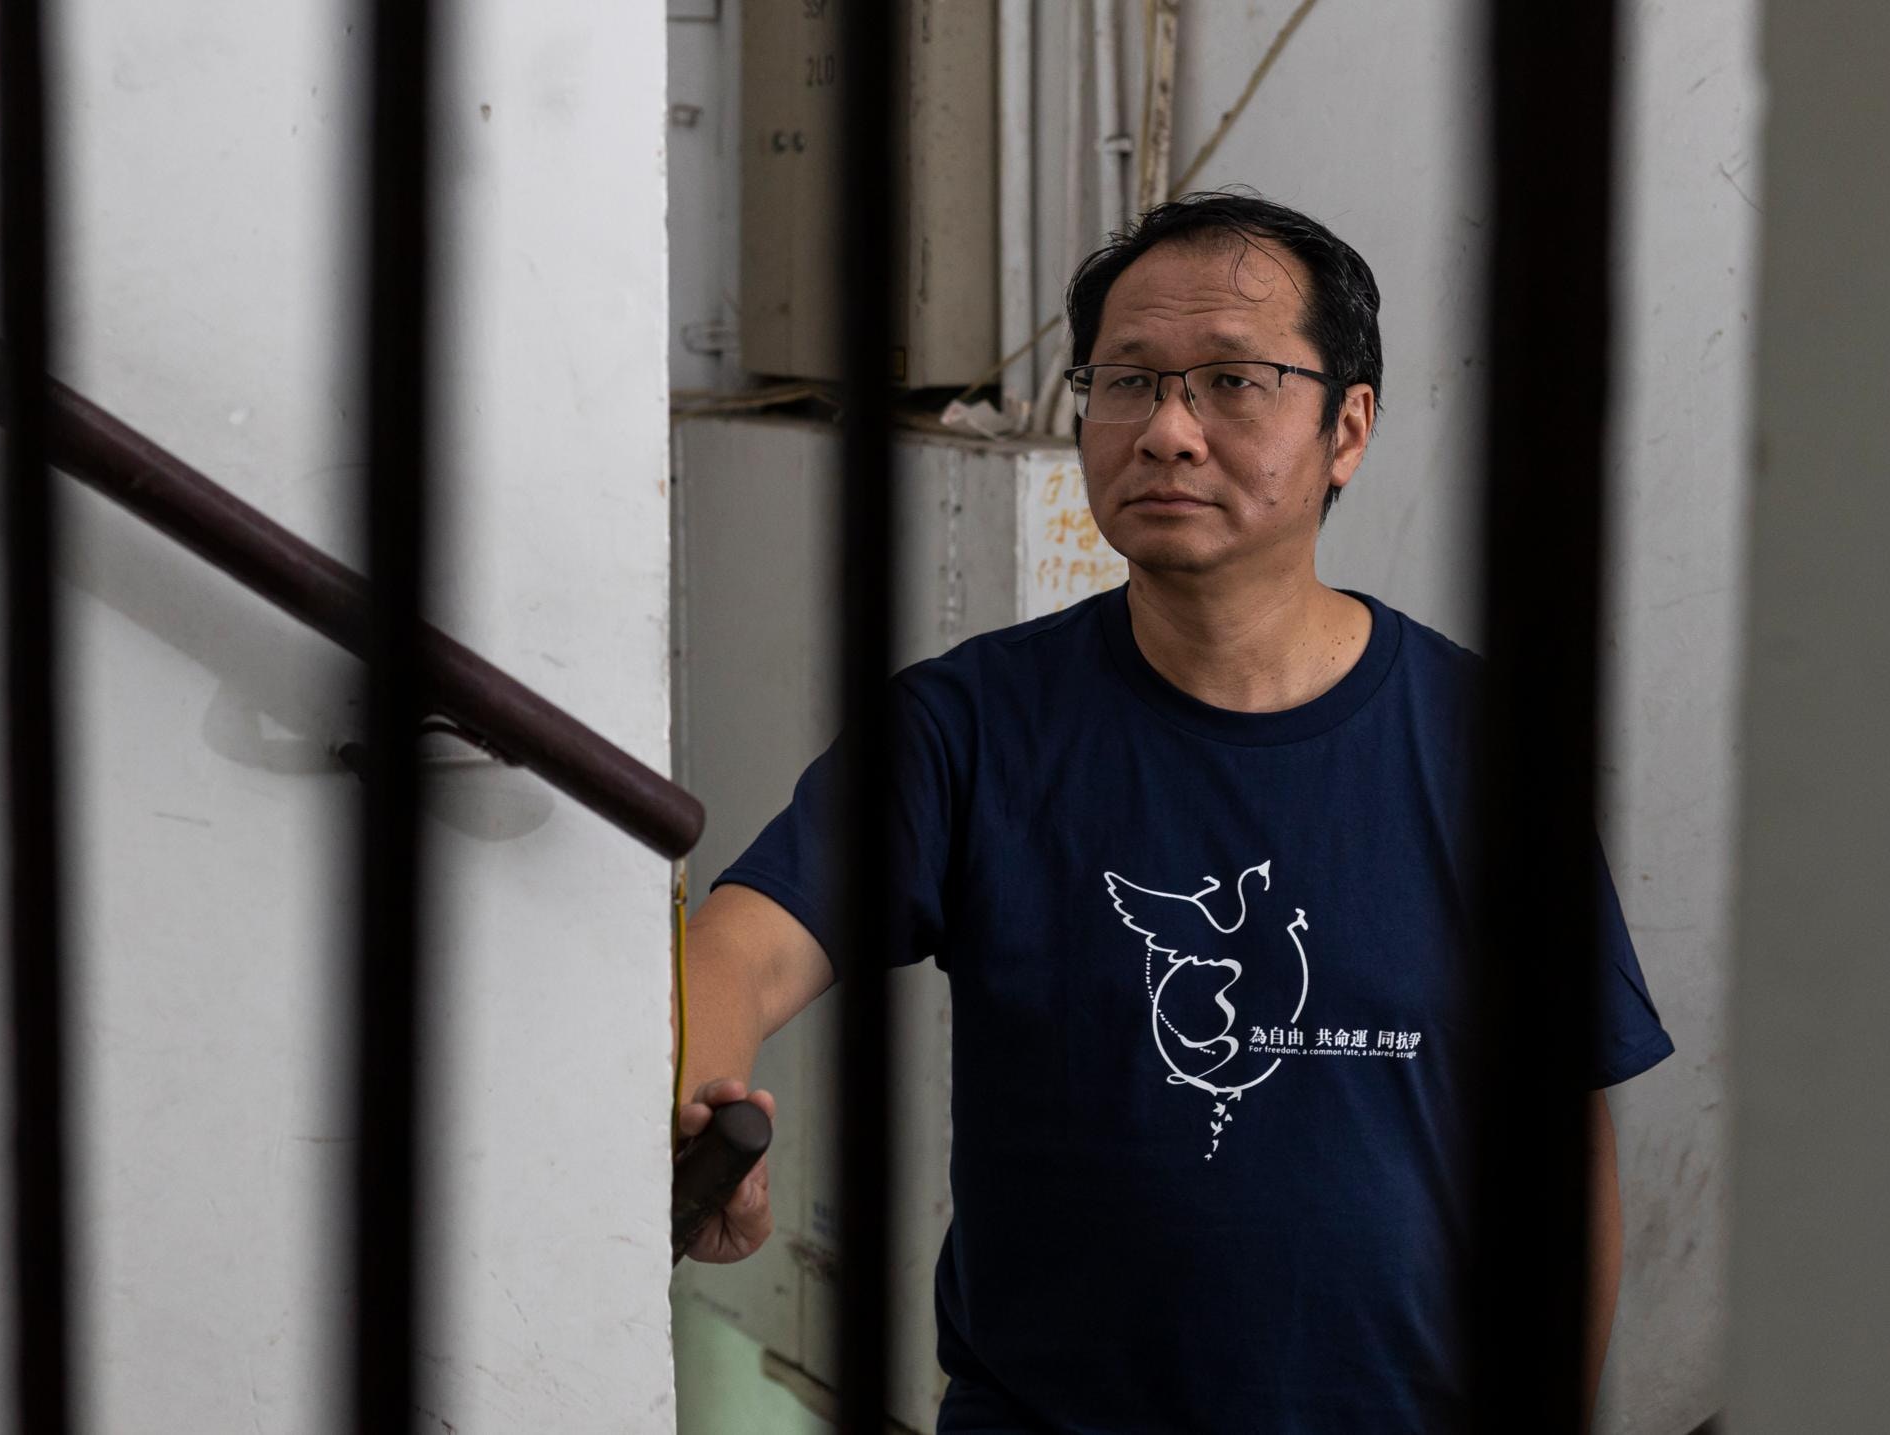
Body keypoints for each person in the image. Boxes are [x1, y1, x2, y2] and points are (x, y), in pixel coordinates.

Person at [673, 192, 1674, 1432]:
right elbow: (743, 945)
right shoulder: (967, 728)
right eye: (1127, 382)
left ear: (1345, 428)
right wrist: (698, 1108)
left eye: (1232, 382)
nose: (1166, 431)